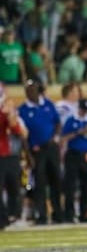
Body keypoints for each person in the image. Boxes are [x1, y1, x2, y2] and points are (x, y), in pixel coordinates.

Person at [18, 79, 62, 224]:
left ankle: (58, 214)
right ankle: (41, 215)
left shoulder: (48, 104)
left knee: (56, 180)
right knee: (39, 183)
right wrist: (28, 154)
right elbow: (23, 135)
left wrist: (55, 138)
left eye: (32, 89)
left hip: (51, 147)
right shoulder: (23, 109)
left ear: (38, 90)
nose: (30, 92)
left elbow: (57, 123)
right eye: (27, 90)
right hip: (36, 149)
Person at [60, 98, 87, 222]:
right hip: (73, 155)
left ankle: (84, 213)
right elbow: (63, 139)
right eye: (83, 109)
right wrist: (79, 132)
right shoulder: (71, 120)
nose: (85, 112)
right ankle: (69, 214)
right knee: (70, 186)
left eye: (86, 110)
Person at [0, 84, 27, 228]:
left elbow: (18, 130)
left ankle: (13, 216)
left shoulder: (5, 112)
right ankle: (4, 219)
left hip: (8, 154)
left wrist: (11, 115)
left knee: (14, 187)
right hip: (4, 153)